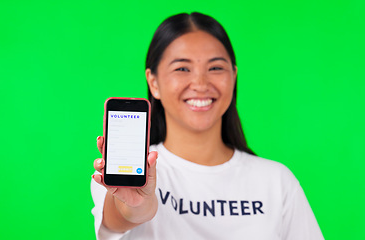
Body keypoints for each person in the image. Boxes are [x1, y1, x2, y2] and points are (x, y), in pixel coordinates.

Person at [91, 12, 324, 240]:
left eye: (215, 68)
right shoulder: (129, 173)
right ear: (154, 82)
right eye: (182, 68)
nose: (201, 84)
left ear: (233, 76)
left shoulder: (277, 181)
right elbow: (124, 216)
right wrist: (137, 204)